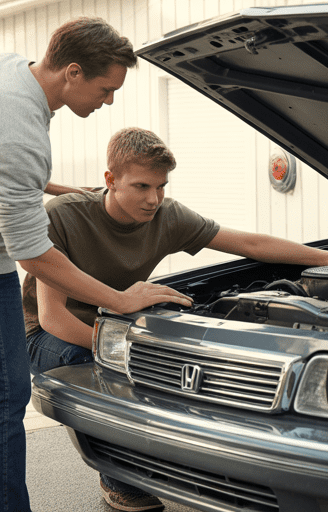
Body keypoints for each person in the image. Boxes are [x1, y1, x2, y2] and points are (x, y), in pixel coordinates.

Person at [22, 126, 328, 511]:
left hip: (118, 322)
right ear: (110, 180)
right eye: (142, 186)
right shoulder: (62, 217)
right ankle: (119, 477)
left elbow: (250, 244)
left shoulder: (168, 216)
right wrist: (129, 350)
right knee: (102, 368)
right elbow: (53, 318)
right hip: (46, 334)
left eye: (161, 186)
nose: (154, 198)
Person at [0, 18, 193, 512]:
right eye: (106, 89)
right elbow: (35, 256)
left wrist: (50, 186)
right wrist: (121, 301)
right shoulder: (21, 128)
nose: (108, 101)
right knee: (5, 405)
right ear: (71, 72)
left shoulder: (11, 75)